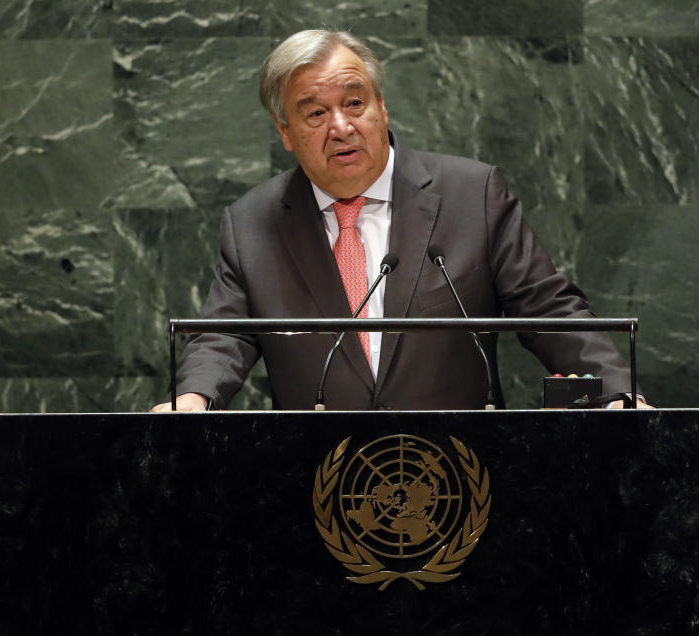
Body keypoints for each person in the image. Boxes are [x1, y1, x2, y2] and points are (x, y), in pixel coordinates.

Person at [152, 29, 649, 412]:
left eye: (354, 102)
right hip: (318, 483)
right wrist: (195, 396)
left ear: (382, 107)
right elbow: (224, 335)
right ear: (285, 131)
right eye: (315, 114)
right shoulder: (251, 223)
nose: (341, 127)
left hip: (462, 473)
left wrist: (619, 395)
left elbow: (547, 311)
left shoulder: (470, 194)